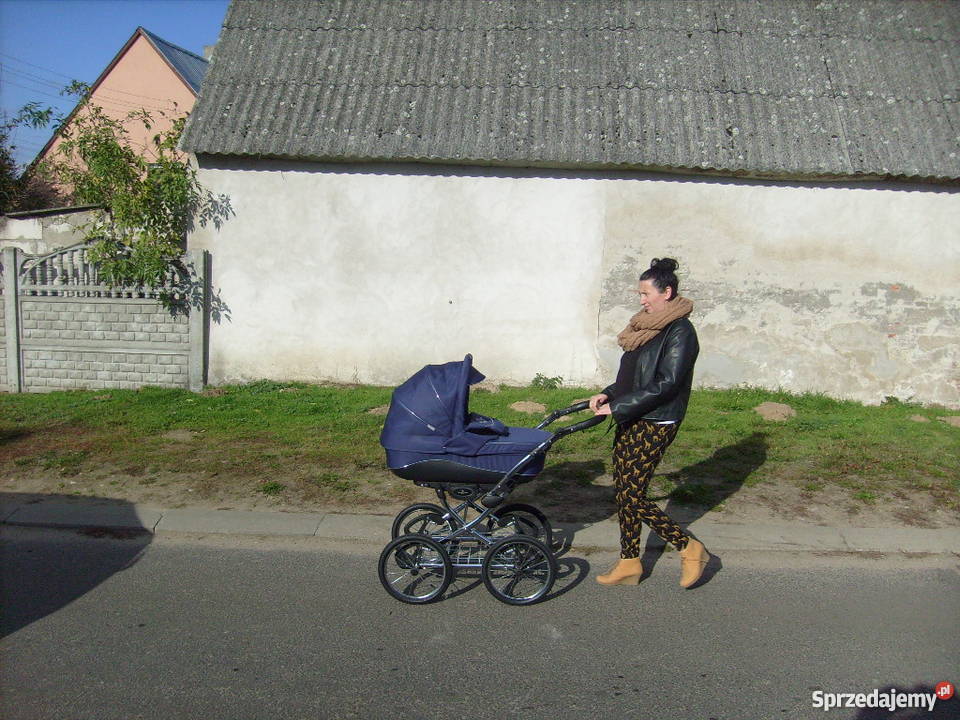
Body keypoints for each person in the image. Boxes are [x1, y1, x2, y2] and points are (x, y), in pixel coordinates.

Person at [589, 257, 709, 588]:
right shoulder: (645, 327)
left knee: (631, 495)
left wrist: (620, 406)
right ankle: (629, 562)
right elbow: (634, 377)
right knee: (625, 490)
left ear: (666, 292)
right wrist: (608, 394)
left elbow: (667, 382)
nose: (641, 300)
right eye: (639, 294)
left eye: (646, 294)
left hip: (657, 419)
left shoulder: (680, 331)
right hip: (632, 412)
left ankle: (689, 547)